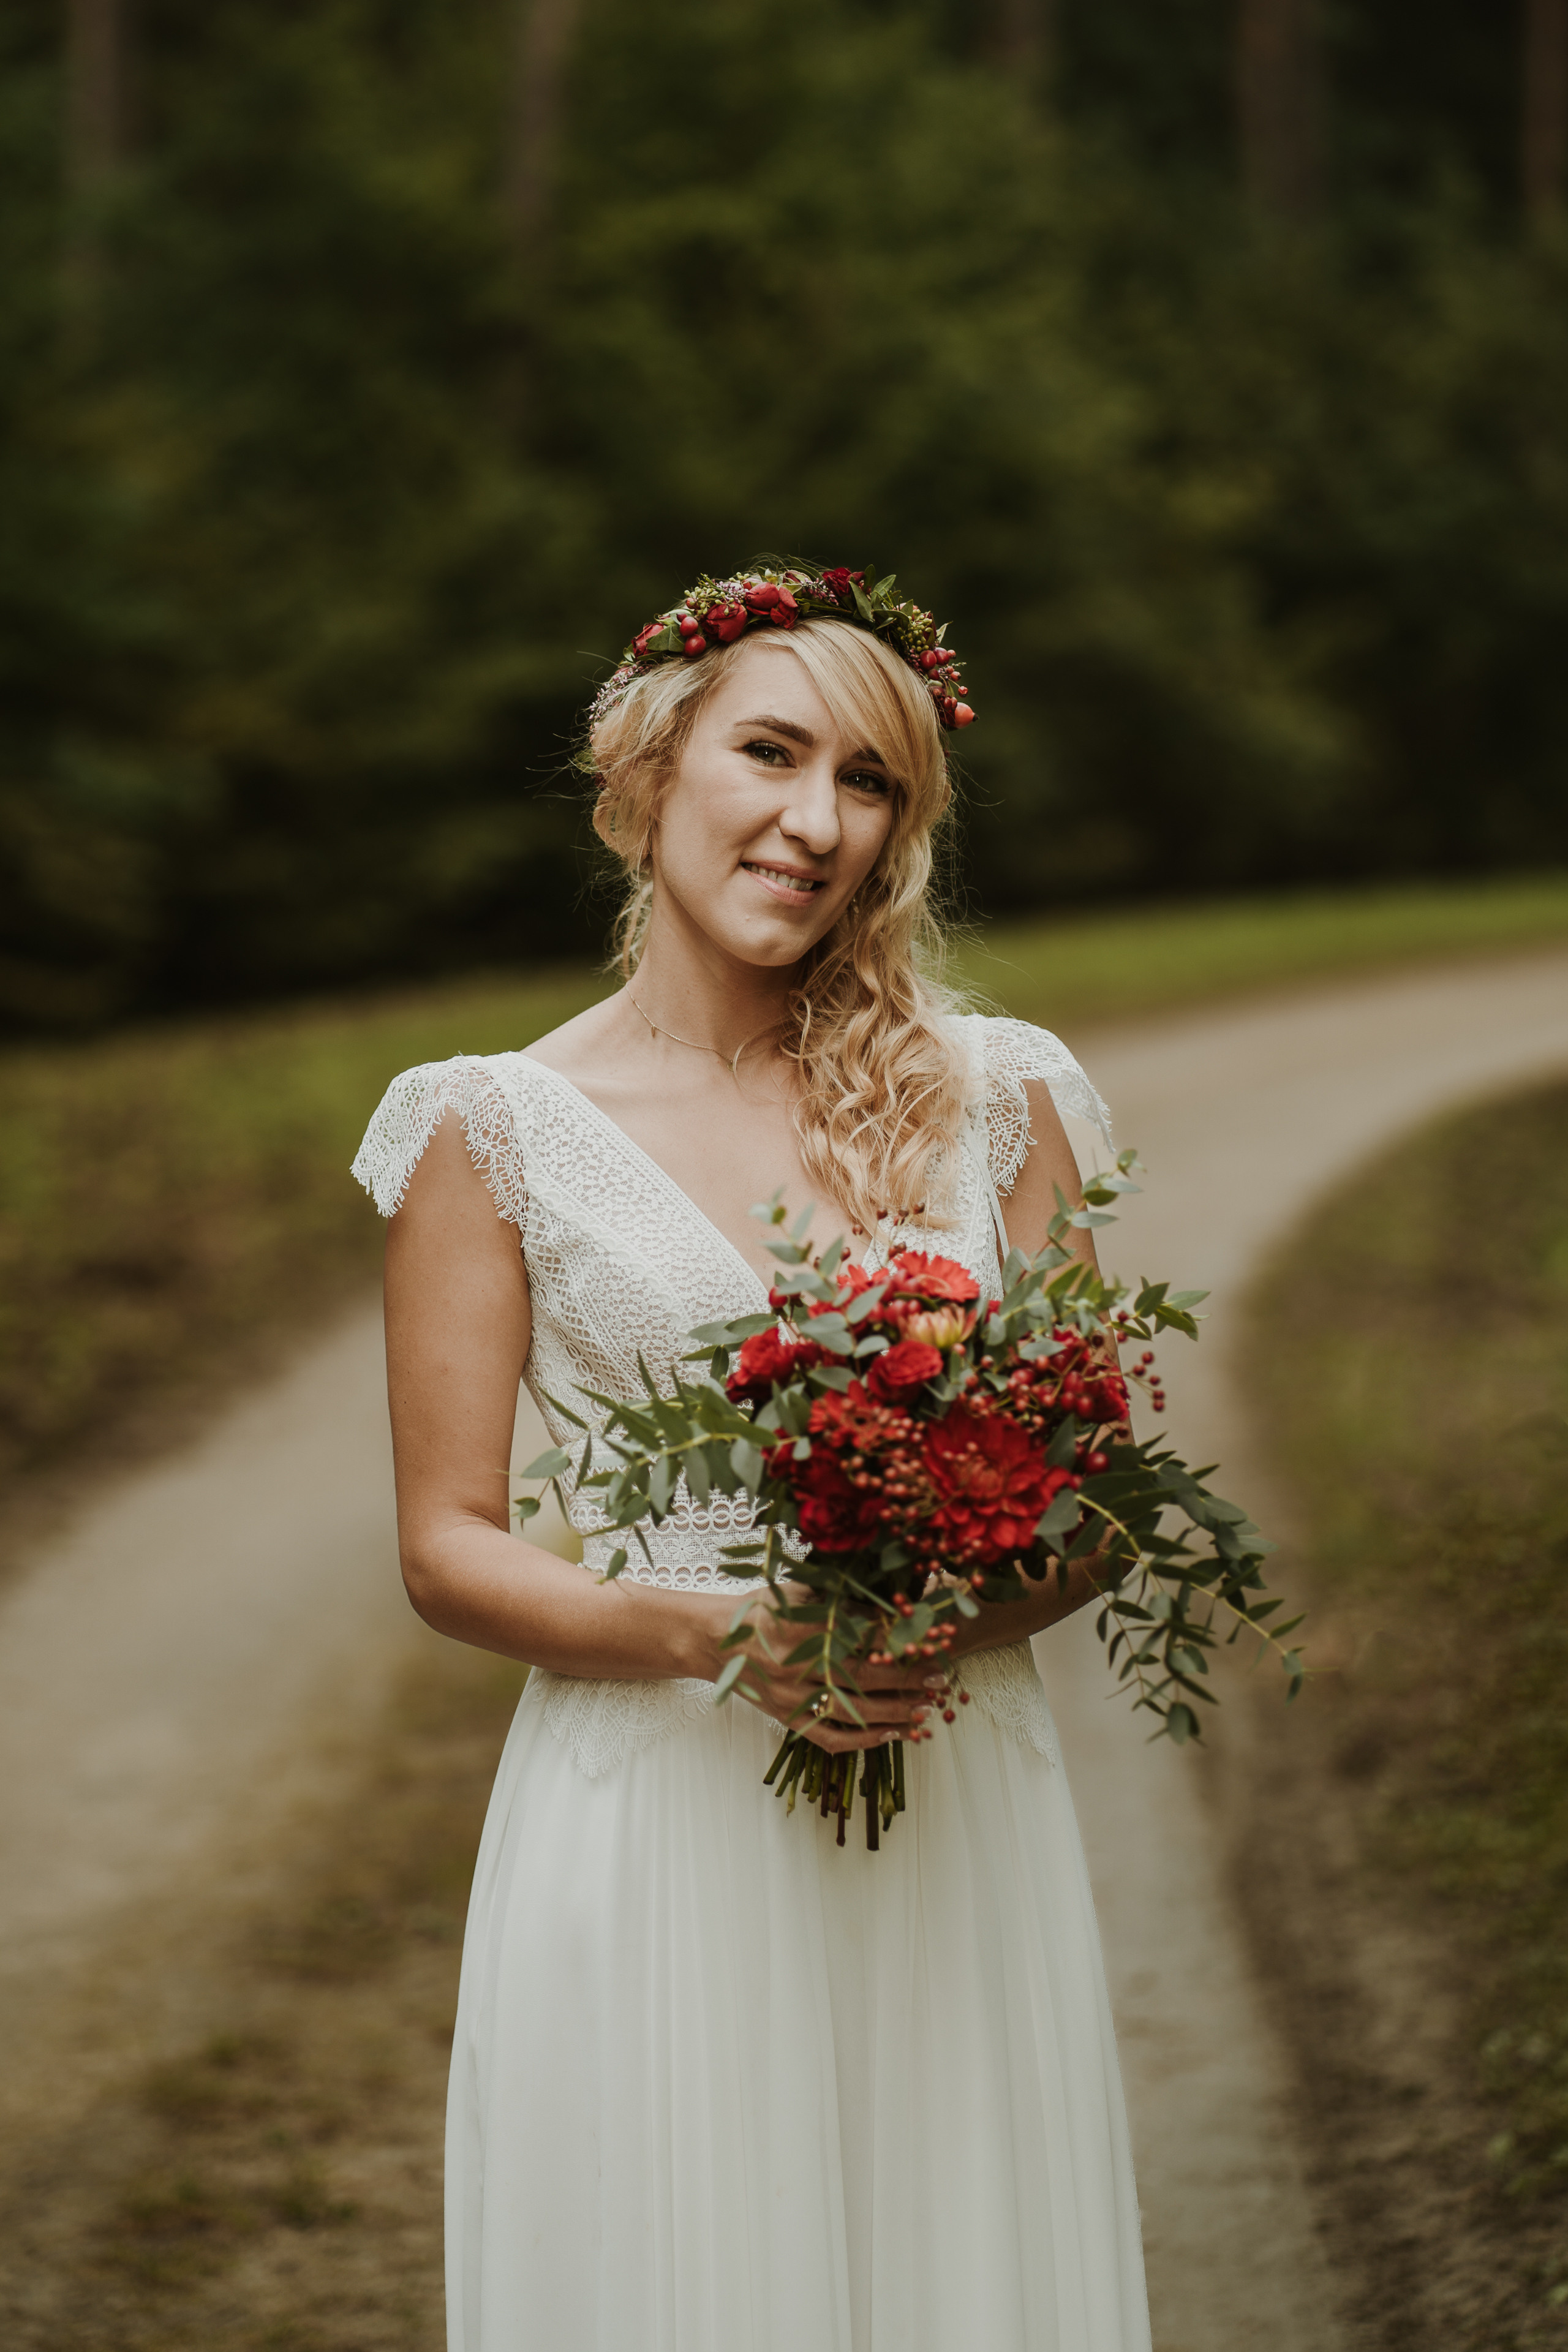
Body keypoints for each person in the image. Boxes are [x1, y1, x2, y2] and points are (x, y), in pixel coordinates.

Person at [353, 565, 1152, 2352]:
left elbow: (1102, 1489)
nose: (814, 823)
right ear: (648, 775)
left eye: (868, 782)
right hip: (656, 1820)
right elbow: (446, 1546)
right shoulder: (489, 1129)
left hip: (953, 1796)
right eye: (772, 755)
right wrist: (734, 1637)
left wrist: (968, 1588)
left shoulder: (999, 1095)